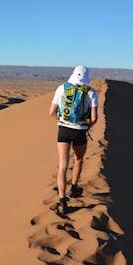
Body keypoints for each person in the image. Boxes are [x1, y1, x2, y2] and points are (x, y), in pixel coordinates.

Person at [49, 65, 98, 213]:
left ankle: (62, 201)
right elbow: (94, 118)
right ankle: (74, 187)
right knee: (78, 159)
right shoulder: (91, 92)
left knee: (62, 166)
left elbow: (51, 112)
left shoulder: (61, 88)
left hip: (63, 130)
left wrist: (63, 120)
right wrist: (85, 125)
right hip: (80, 132)